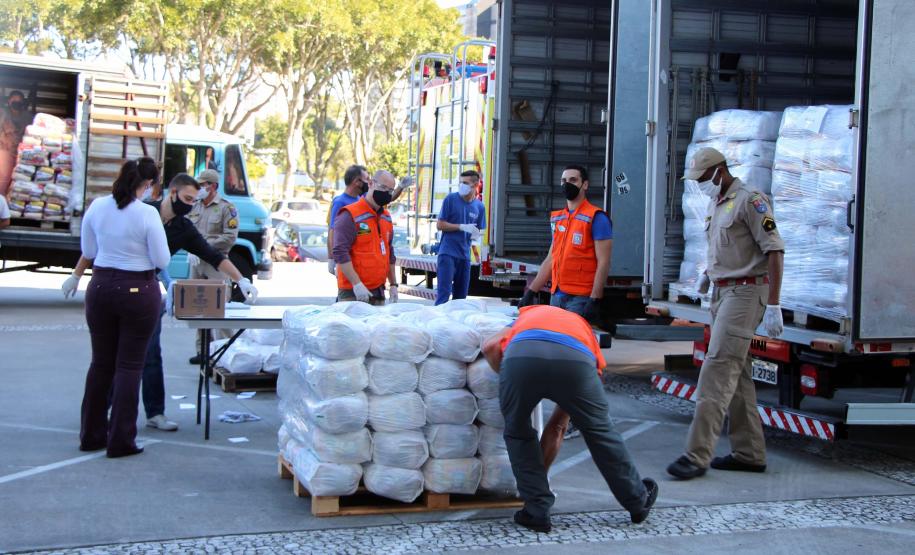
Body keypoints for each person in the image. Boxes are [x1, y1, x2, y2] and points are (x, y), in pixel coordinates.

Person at [63, 173, 258, 432]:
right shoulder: (143, 212)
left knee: (149, 355)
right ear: (172, 193)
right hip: (117, 287)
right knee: (111, 359)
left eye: (194, 201)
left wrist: (240, 279)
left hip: (144, 291)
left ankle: (153, 413)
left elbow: (213, 255)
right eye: (187, 199)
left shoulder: (183, 228)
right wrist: (76, 275)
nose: (190, 205)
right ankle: (103, 415)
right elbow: (98, 244)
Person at [481, 305, 658, 533]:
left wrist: (510, 381)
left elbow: (489, 346)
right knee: (601, 432)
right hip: (575, 363)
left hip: (521, 360)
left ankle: (536, 510)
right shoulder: (582, 328)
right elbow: (588, 384)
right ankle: (636, 501)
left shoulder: (525, 317)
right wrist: (564, 413)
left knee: (518, 432)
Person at [666, 147, 785, 480]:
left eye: (703, 178)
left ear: (719, 171)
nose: (700, 184)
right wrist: (708, 275)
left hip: (746, 293)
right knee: (739, 376)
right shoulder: (716, 203)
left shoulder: (751, 201)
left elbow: (775, 251)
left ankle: (696, 456)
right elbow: (724, 247)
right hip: (722, 293)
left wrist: (774, 304)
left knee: (716, 370)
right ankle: (749, 454)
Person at [77, 158, 170, 457]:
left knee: (100, 364)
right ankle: (121, 440)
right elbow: (162, 260)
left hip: (101, 286)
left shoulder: (97, 206)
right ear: (148, 184)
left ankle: (91, 434)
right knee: (129, 366)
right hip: (138, 289)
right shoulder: (147, 213)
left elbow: (89, 250)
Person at [518, 164, 614, 441]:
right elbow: (551, 258)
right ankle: (579, 413)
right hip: (558, 296)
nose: (567, 184)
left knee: (574, 359)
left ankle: (579, 415)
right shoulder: (559, 218)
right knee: (560, 357)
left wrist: (595, 298)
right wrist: (532, 290)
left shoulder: (596, 218)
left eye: (573, 179)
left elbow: (603, 262)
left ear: (585, 184)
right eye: (563, 180)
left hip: (581, 298)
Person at [187, 168, 239, 365]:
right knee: (198, 306)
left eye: (203, 185)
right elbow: (185, 230)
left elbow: (229, 237)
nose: (200, 188)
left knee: (220, 307)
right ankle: (202, 350)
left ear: (213, 186)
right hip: (197, 262)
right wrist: (191, 249)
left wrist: (202, 247)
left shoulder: (226, 207)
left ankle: (227, 350)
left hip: (217, 263)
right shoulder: (194, 205)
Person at [332, 170, 398, 305]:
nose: (386, 193)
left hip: (378, 290)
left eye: (390, 191)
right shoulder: (350, 214)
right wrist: (357, 284)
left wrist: (393, 284)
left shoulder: (386, 217)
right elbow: (340, 252)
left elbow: (389, 253)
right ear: (371, 183)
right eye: (383, 188)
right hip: (353, 292)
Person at [434, 170, 486, 305]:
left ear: (476, 185)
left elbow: (480, 229)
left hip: (464, 256)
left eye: (465, 183)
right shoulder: (451, 199)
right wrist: (461, 227)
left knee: (461, 299)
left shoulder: (479, 206)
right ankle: (438, 318)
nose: (462, 186)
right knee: (443, 295)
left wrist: (476, 233)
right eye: (461, 182)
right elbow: (440, 225)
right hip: (448, 253)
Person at [326, 165, 369, 275]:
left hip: (359, 258)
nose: (369, 183)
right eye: (366, 179)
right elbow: (332, 230)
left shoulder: (361, 199)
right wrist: (332, 258)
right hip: (346, 260)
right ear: (357, 181)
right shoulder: (340, 202)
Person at [0, 91, 34, 196]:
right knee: (3, 177)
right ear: (9, 101)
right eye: (14, 99)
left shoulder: (27, 116)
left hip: (22, 152)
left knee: (19, 181)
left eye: (19, 100)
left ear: (23, 102)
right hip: (5, 149)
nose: (16, 102)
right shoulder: (2, 113)